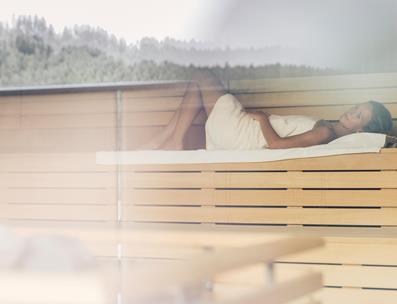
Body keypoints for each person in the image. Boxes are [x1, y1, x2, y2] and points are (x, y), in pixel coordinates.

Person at [141, 69, 393, 150]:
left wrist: (262, 118)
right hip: (243, 131)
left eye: (359, 115)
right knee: (199, 81)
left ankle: (171, 138)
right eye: (356, 107)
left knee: (202, 76)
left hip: (244, 134)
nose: (352, 111)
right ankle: (170, 138)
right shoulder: (326, 127)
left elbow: (275, 146)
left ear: (361, 131)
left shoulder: (326, 133)